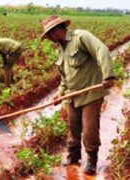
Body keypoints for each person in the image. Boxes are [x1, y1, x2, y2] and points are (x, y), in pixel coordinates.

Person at [41, 15, 115, 175]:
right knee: (74, 129)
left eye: (49, 36)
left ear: (55, 31)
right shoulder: (60, 51)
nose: (49, 40)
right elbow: (65, 79)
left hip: (91, 94)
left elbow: (101, 50)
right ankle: (73, 157)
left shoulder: (81, 37)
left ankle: (92, 160)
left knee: (89, 130)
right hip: (72, 95)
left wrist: (107, 75)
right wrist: (60, 93)